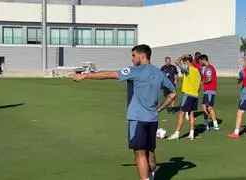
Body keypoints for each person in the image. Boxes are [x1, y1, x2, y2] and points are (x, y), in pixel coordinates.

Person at [74, 44, 177, 180]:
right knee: (150, 152)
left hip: (138, 118)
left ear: (142, 55)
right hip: (153, 118)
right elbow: (173, 94)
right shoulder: (160, 73)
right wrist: (159, 108)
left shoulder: (136, 71)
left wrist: (86, 75)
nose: (132, 59)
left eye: (134, 55)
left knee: (140, 154)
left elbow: (110, 74)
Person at [168, 54, 201, 140]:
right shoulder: (196, 71)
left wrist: (183, 55)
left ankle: (176, 133)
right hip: (195, 95)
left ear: (186, 61)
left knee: (181, 114)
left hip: (188, 94)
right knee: (191, 114)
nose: (183, 63)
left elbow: (176, 62)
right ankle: (192, 133)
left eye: (184, 62)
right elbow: (199, 84)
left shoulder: (188, 68)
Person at [200, 54, 220, 131]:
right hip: (208, 91)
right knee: (205, 106)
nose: (200, 62)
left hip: (210, 91)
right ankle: (208, 124)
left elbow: (209, 79)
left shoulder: (209, 68)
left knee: (209, 107)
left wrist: (201, 82)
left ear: (204, 60)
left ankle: (213, 125)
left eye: (201, 61)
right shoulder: (208, 68)